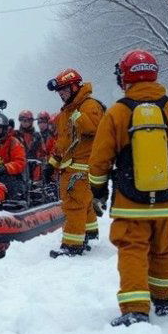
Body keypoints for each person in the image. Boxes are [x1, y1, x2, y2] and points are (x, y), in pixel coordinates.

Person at [88, 49, 168, 326]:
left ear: (125, 77)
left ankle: (135, 310)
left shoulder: (116, 113)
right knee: (164, 250)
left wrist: (99, 192)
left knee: (132, 251)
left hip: (130, 204)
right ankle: (163, 301)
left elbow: (100, 161)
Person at [47, 68, 105, 258]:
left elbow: (94, 129)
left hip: (83, 166)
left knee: (74, 204)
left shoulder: (89, 106)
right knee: (84, 203)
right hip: (72, 165)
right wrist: (52, 164)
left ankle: (72, 245)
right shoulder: (68, 111)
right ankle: (88, 233)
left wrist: (76, 114)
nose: (61, 94)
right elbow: (64, 142)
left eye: (63, 90)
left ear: (74, 87)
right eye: (59, 91)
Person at [16, 110, 45, 178]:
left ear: (31, 121)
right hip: (21, 167)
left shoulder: (37, 136)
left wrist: (43, 165)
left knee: (36, 187)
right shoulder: (16, 135)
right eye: (24, 121)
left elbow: (43, 152)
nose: (26, 123)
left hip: (35, 167)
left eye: (28, 121)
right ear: (20, 121)